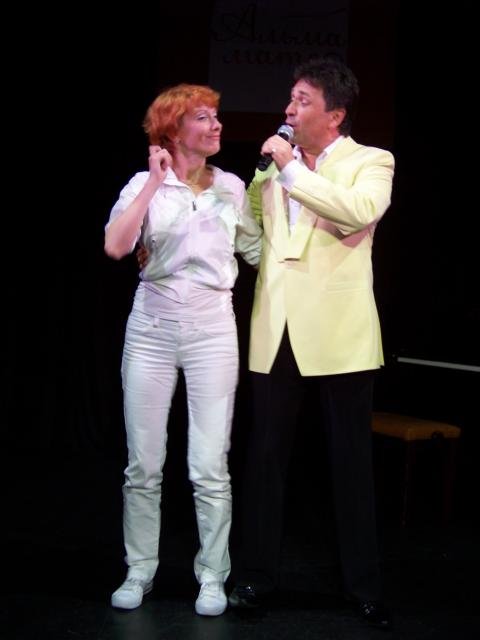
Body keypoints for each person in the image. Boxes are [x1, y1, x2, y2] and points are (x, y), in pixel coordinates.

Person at [227, 56, 395, 630]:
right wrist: (257, 251)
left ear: (335, 114)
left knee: (350, 462)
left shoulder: (371, 162)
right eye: (291, 98)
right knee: (264, 457)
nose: (289, 110)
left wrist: (291, 170)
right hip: (276, 327)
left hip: (340, 331)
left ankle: (363, 587)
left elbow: (357, 213)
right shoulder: (275, 167)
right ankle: (255, 577)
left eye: (302, 101)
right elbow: (253, 233)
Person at [104, 83, 262, 616]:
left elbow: (256, 248)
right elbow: (116, 245)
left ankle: (213, 574)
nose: (216, 125)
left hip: (212, 330)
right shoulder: (143, 184)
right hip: (151, 328)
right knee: (143, 465)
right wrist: (154, 182)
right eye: (203, 117)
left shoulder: (231, 187)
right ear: (173, 130)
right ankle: (139, 569)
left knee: (209, 465)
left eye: (216, 116)